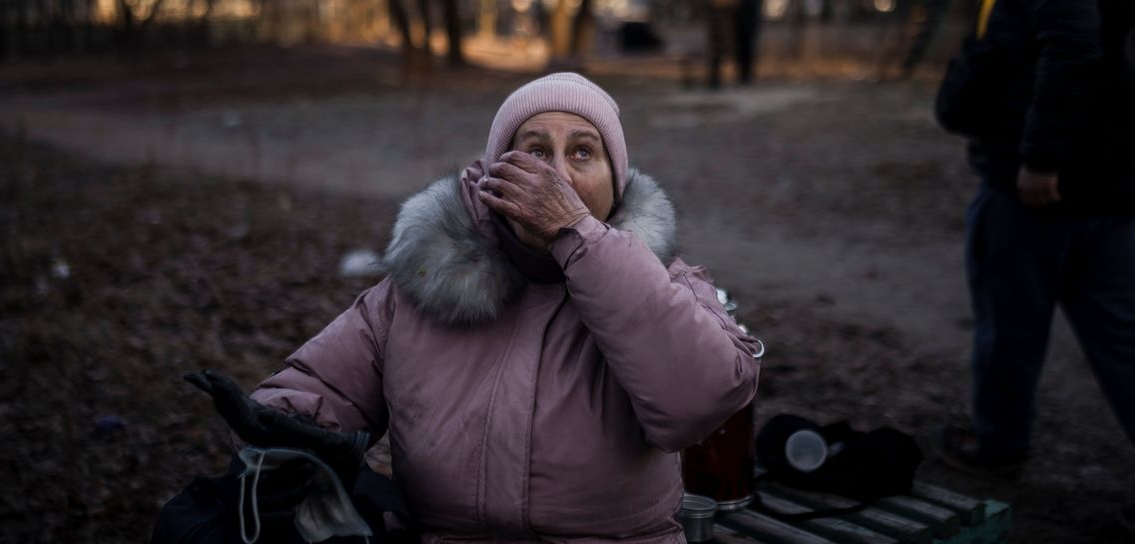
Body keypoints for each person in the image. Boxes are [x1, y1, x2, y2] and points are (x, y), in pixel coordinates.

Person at [244, 72, 763, 542]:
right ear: (495, 176)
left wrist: (577, 235)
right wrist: (284, 444)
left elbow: (704, 398)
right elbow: (314, 394)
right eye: (534, 151)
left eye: (583, 152)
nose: (556, 174)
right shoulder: (425, 282)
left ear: (616, 182)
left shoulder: (662, 283)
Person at [934, 0, 1135, 537]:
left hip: (1039, 193)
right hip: (1110, 188)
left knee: (1009, 328)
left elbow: (1073, 50)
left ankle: (997, 444)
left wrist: (1039, 161)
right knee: (1129, 339)